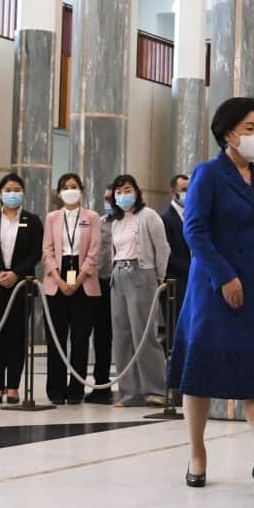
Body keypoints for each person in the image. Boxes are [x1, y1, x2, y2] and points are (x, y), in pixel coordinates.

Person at [168, 97, 254, 492]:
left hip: (253, 289)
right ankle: (197, 453)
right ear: (228, 132)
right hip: (213, 288)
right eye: (249, 128)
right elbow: (194, 230)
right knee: (199, 373)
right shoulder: (208, 174)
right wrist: (224, 277)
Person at [0, 174, 44, 404]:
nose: (12, 193)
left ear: (23, 193)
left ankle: (13, 386)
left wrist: (16, 274)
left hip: (22, 286)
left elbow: (35, 253)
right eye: (8, 189)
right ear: (0, 193)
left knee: (17, 336)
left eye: (16, 189)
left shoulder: (32, 221)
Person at [107, 174, 171, 407]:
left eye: (127, 190)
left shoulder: (148, 216)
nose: (123, 195)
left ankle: (156, 389)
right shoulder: (115, 221)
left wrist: (158, 277)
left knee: (144, 333)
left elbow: (162, 249)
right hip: (119, 274)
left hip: (141, 273)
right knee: (122, 335)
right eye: (119, 191)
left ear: (136, 191)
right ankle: (129, 392)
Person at [42, 173, 102, 405]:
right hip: (57, 276)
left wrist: (77, 281)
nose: (70, 190)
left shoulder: (92, 217)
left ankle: (76, 389)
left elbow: (95, 251)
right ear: (59, 192)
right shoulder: (52, 217)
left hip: (84, 279)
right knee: (56, 338)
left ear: (81, 189)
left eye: (74, 186)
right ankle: (55, 389)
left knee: (79, 339)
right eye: (65, 187)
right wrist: (59, 279)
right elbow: (47, 251)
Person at [86, 184, 116, 405]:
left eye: (111, 197)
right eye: (106, 198)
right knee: (101, 337)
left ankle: (132, 386)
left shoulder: (135, 221)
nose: (109, 201)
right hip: (101, 284)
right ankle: (101, 383)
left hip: (124, 284)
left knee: (127, 336)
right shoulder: (99, 223)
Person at [160, 174, 191, 332]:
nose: (189, 193)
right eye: (184, 190)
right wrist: (192, 269)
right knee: (176, 329)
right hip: (175, 284)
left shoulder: (194, 214)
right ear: (174, 193)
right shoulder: (165, 218)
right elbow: (166, 255)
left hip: (192, 282)